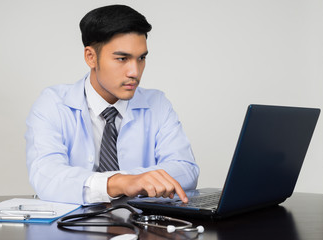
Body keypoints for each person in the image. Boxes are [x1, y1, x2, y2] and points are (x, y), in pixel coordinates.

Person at [25, 4, 199, 205]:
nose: (135, 71)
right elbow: (45, 175)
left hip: (140, 230)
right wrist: (119, 183)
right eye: (122, 58)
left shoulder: (157, 103)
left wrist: (131, 181)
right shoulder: (52, 104)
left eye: (141, 58)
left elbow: (186, 170)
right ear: (91, 57)